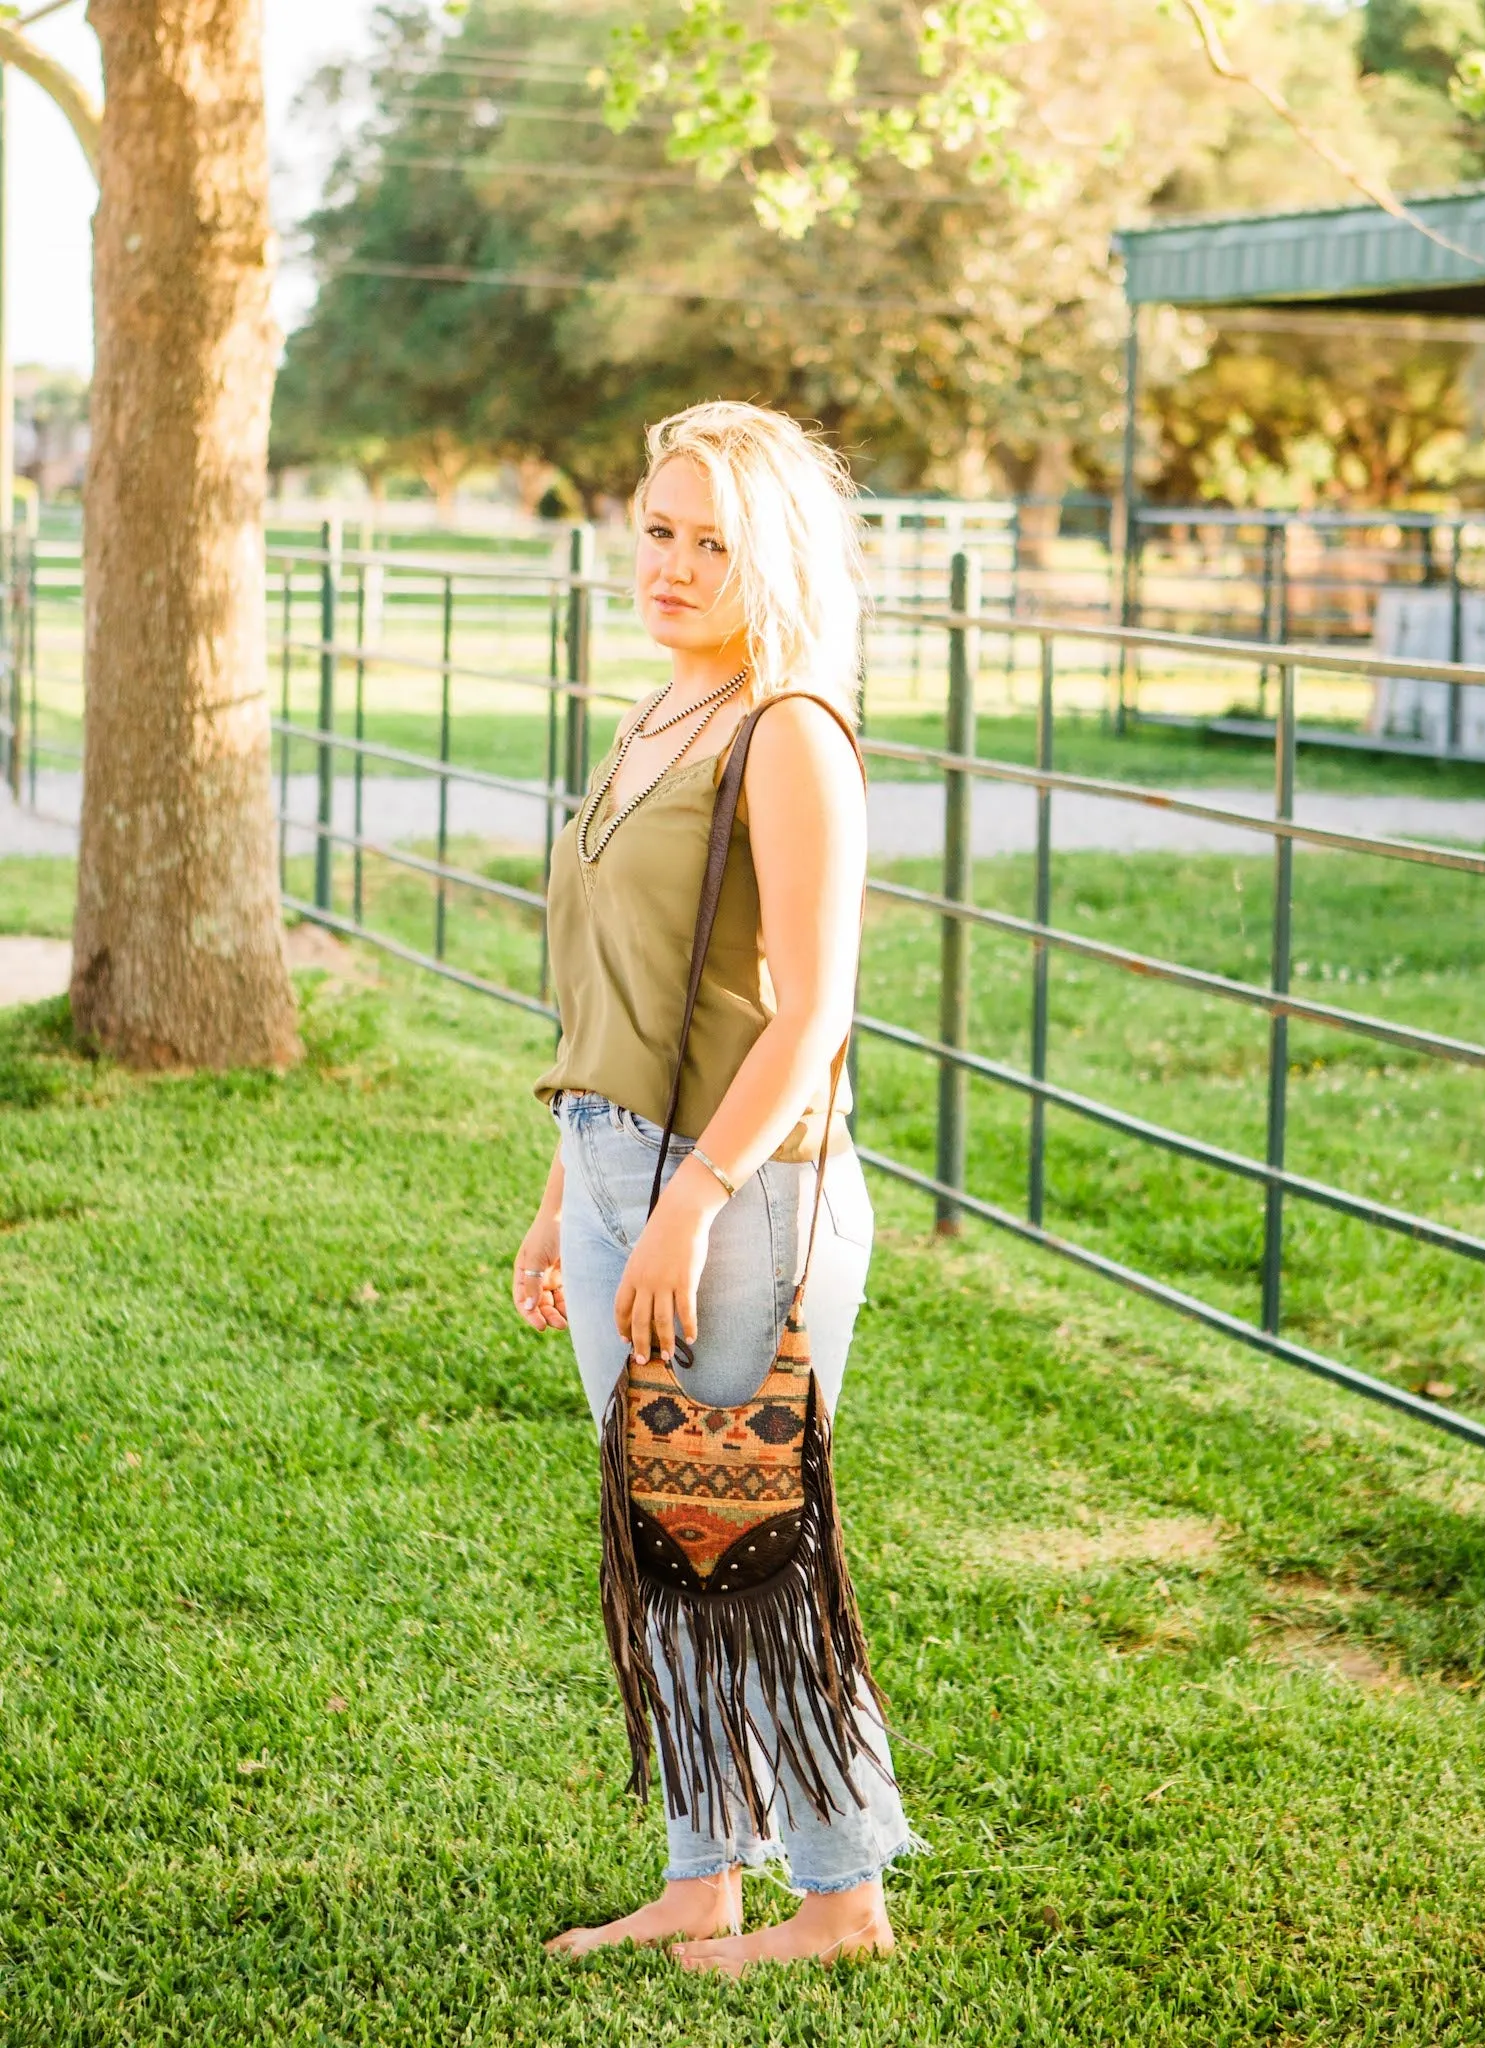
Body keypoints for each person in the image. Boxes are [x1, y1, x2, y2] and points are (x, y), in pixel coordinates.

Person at [512, 400, 916, 1977]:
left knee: (748, 1542)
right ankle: (703, 1876)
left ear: (777, 559)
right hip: (617, 1161)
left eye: (712, 542)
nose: (673, 565)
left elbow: (812, 1012)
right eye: (658, 530)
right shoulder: (659, 711)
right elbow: (616, 994)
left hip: (739, 1192)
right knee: (655, 1537)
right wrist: (571, 1189)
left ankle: (842, 1901)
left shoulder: (789, 727)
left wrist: (683, 1204)